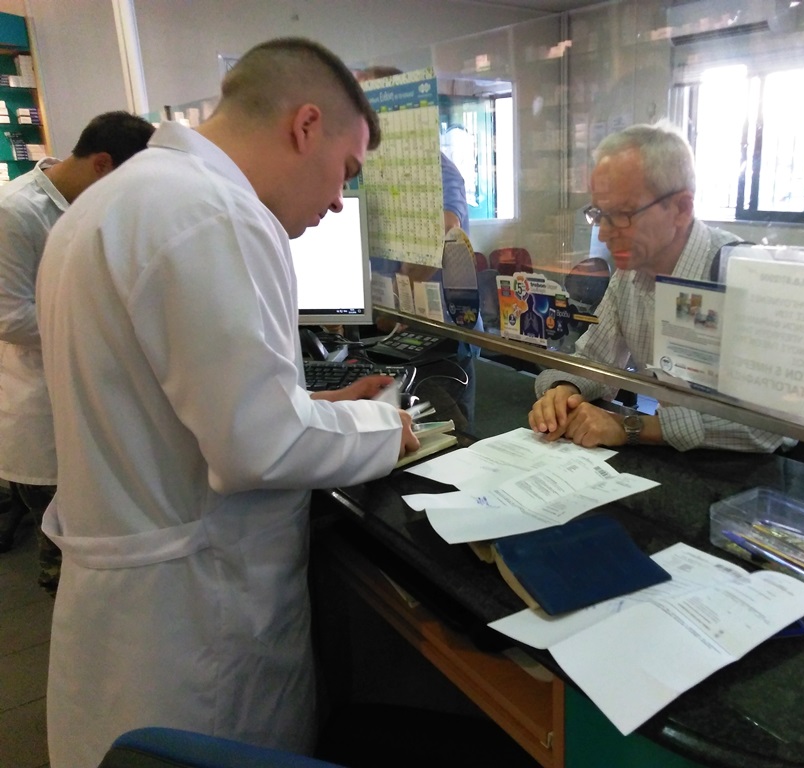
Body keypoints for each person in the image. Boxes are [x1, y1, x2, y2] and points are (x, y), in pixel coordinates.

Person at [36, 38, 419, 768]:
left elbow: (166, 401)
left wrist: (313, 403)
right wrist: (383, 425)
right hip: (193, 618)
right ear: (306, 126)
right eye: (346, 170)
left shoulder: (122, 196)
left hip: (134, 597)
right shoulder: (216, 214)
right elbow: (260, 449)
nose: (339, 201)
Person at [529, 121, 791, 453]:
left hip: (768, 471)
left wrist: (630, 426)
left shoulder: (738, 277)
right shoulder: (632, 272)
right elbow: (596, 358)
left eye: (623, 214)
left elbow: (766, 427)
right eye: (599, 214)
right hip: (683, 458)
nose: (605, 234)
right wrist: (564, 391)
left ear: (681, 209)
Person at [0, 111, 155, 596]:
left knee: (95, 550)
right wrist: (108, 327)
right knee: (70, 563)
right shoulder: (15, 213)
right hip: (42, 408)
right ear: (102, 164)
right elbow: (8, 317)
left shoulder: (87, 203)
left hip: (93, 400)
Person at [357, 64, 479, 428]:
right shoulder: (374, 173)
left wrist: (394, 312)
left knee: (449, 435)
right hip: (391, 332)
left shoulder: (436, 170)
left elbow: (444, 230)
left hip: (438, 336)